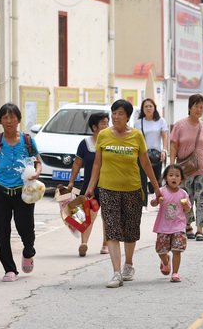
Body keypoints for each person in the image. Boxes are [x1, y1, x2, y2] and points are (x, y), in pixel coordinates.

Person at [85, 99, 160, 288]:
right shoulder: (103, 135)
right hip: (108, 189)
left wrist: (157, 188)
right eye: (114, 113)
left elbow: (145, 163)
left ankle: (129, 264)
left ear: (127, 116)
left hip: (133, 189)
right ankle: (116, 272)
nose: (116, 116)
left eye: (120, 113)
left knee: (130, 230)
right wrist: (91, 186)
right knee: (112, 229)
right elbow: (97, 164)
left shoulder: (136, 136)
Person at [0, 103, 42, 282]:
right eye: (5, 117)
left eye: (12, 117)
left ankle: (28, 250)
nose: (9, 120)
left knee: (26, 228)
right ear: (0, 121)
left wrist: (37, 172)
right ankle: (9, 269)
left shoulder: (28, 140)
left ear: (18, 119)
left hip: (24, 192)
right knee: (2, 230)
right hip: (0, 192)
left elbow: (38, 162)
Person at [170, 94, 203, 241]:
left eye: (201, 107)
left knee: (202, 199)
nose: (199, 110)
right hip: (185, 170)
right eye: (196, 106)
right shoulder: (179, 125)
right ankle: (188, 225)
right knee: (186, 199)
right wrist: (172, 166)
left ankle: (200, 229)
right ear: (189, 107)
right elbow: (173, 145)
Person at [64, 111, 109, 256]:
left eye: (107, 123)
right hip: (90, 186)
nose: (107, 125)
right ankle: (84, 243)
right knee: (88, 215)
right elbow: (77, 164)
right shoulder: (85, 144)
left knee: (107, 217)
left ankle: (106, 244)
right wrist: (71, 182)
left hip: (108, 185)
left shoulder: (111, 142)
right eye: (103, 123)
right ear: (94, 127)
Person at [152, 163, 191, 282]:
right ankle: (165, 261)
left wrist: (185, 205)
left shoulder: (183, 194)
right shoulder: (162, 191)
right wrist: (158, 200)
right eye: (171, 175)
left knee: (177, 250)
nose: (174, 178)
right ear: (165, 178)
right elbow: (152, 203)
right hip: (163, 227)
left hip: (178, 227)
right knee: (161, 250)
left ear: (181, 179)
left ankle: (175, 273)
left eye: (177, 175)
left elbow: (188, 209)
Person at [134, 98, 169, 206]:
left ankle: (159, 201)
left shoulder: (161, 121)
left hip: (158, 154)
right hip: (143, 154)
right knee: (142, 179)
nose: (148, 108)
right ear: (142, 109)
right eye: (146, 106)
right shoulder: (138, 123)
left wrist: (164, 150)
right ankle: (143, 204)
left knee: (158, 179)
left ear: (154, 108)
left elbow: (164, 137)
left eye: (150, 106)